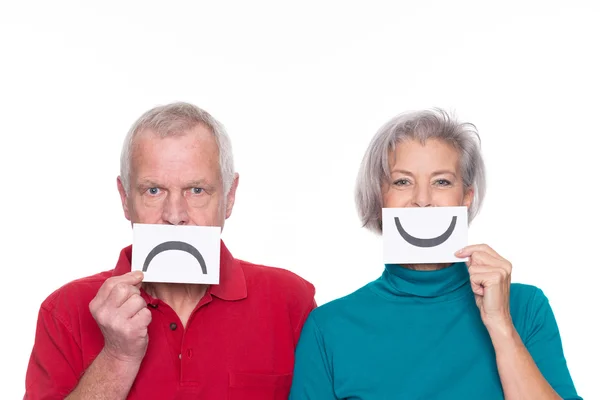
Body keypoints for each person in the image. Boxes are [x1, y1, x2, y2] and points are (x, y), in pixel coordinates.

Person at [24, 102, 316, 399]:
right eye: (154, 190)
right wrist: (117, 358)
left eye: (196, 190)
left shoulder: (290, 301)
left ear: (229, 197)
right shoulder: (65, 311)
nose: (175, 214)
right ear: (125, 198)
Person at [289, 109, 581, 399]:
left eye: (441, 181)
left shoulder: (525, 308)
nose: (423, 200)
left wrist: (501, 326)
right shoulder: (329, 328)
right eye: (402, 182)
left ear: (466, 197)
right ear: (380, 198)